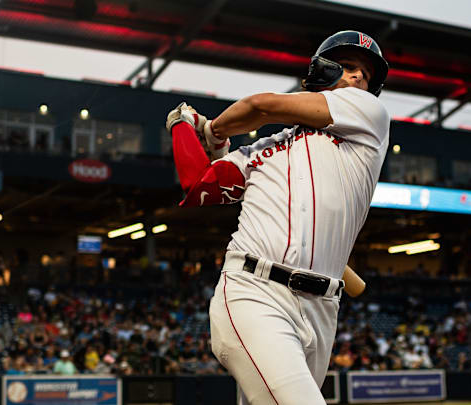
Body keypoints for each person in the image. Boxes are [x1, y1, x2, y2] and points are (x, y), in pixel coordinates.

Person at [166, 30, 389, 404]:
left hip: (323, 306)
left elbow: (260, 106)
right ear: (321, 69)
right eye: (348, 67)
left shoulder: (369, 115)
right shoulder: (261, 150)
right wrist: (181, 127)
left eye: (365, 75)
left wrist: (212, 130)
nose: (356, 79)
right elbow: (199, 186)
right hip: (255, 291)